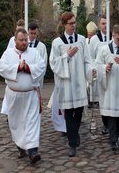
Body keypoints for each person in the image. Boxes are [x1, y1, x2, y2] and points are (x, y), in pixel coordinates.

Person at [49, 11, 95, 157]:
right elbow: (53, 64)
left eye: (75, 23)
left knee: (79, 111)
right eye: (70, 23)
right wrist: (66, 56)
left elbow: (87, 60)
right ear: (64, 25)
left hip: (79, 83)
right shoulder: (57, 43)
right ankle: (72, 143)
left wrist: (91, 70)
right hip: (66, 85)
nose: (74, 26)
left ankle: (73, 135)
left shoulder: (81, 40)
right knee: (69, 114)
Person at [0, 28, 46, 164]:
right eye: (21, 40)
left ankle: (32, 151)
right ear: (15, 41)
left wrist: (28, 68)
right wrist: (18, 68)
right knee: (17, 123)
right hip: (14, 96)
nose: (25, 42)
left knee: (32, 122)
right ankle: (20, 146)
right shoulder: (8, 54)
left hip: (31, 95)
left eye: (26, 40)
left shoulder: (34, 53)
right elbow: (2, 68)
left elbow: (42, 67)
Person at [89, 15, 112, 135]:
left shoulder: (113, 38)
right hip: (100, 73)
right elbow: (91, 57)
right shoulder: (94, 40)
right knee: (103, 100)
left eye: (107, 23)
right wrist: (93, 68)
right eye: (103, 23)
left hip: (112, 73)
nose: (105, 26)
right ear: (99, 25)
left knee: (111, 100)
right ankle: (105, 124)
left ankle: (112, 124)